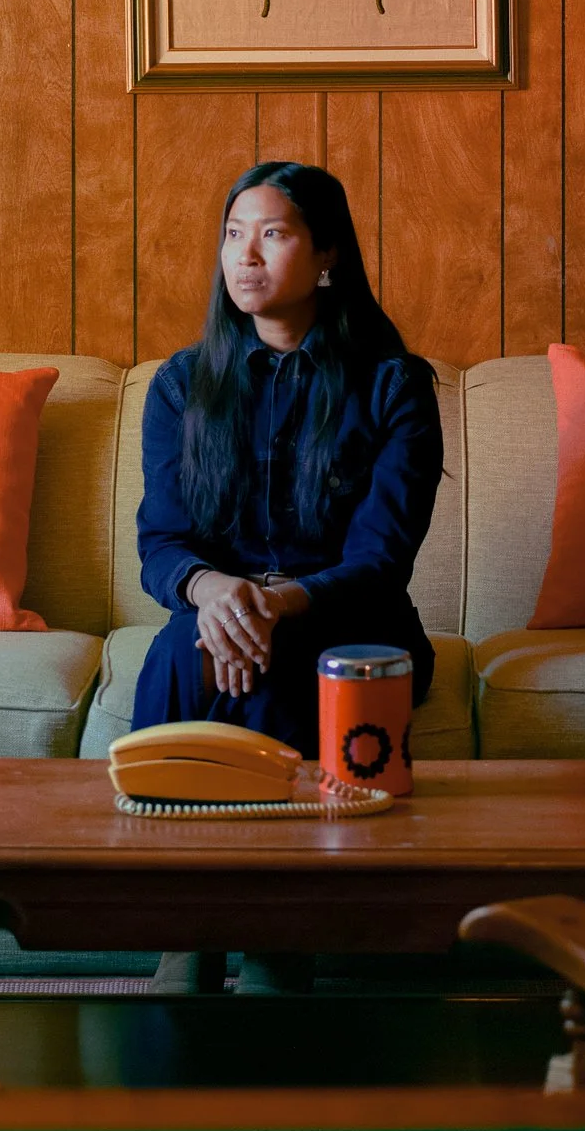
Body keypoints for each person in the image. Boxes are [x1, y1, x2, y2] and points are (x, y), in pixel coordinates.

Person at [131, 160, 440, 759]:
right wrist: (215, 592)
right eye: (233, 233)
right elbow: (161, 542)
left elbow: (380, 561)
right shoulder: (181, 385)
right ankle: (154, 840)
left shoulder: (392, 386)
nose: (246, 255)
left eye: (272, 234)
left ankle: (277, 844)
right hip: (214, 614)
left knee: (271, 674)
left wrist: (275, 606)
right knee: (178, 652)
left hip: (350, 622)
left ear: (327, 253)